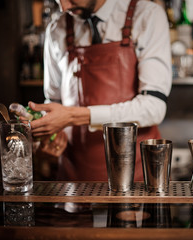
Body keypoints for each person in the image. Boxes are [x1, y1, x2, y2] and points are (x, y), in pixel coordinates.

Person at [28, 0, 172, 181]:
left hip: (137, 176)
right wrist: (53, 136)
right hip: (74, 179)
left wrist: (72, 116)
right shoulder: (57, 28)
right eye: (57, 0)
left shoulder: (147, 16)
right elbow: (54, 101)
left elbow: (153, 107)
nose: (64, 7)